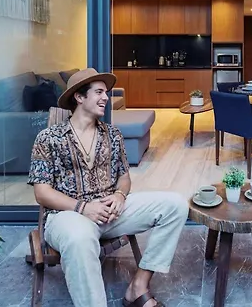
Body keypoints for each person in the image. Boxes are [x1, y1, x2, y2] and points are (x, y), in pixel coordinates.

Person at [28, 68, 189, 307]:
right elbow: (41, 192)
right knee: (80, 238)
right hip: (67, 215)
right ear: (79, 97)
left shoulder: (112, 134)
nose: (106, 97)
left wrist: (120, 195)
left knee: (175, 205)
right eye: (99, 92)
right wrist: (83, 208)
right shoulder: (49, 137)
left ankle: (138, 286)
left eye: (106, 92)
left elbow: (124, 177)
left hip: (111, 212)